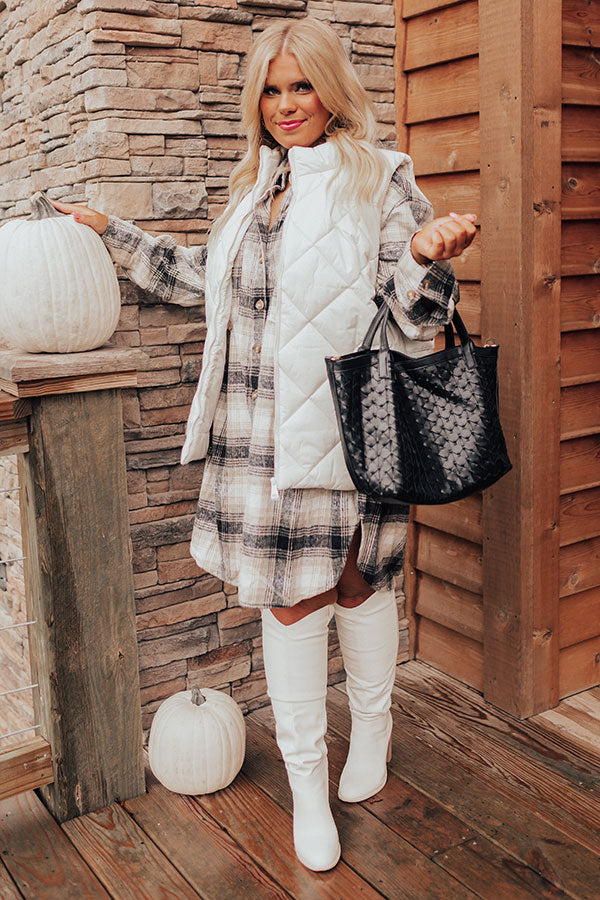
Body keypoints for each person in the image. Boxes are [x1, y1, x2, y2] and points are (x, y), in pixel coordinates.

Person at [51, 17, 476, 873]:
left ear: (332, 91)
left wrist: (428, 260)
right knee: (288, 604)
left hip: (348, 429)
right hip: (259, 444)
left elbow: (413, 316)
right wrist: (111, 234)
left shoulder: (379, 178)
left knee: (358, 584)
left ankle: (374, 733)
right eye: (273, 90)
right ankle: (308, 792)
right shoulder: (255, 187)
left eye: (302, 85)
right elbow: (203, 283)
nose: (286, 104)